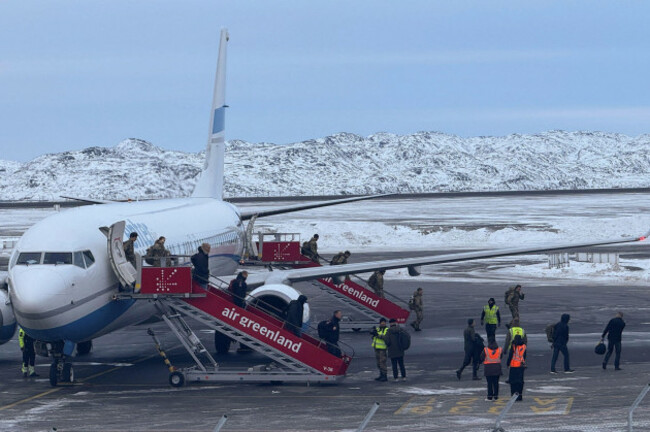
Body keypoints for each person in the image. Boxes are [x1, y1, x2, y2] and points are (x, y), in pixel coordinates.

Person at [507, 334, 526, 401]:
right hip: (521, 366)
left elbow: (510, 355)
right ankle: (520, 396)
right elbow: (524, 356)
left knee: (513, 382)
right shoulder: (524, 346)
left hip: (513, 365)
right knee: (520, 382)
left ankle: (513, 395)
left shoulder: (514, 346)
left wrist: (508, 363)